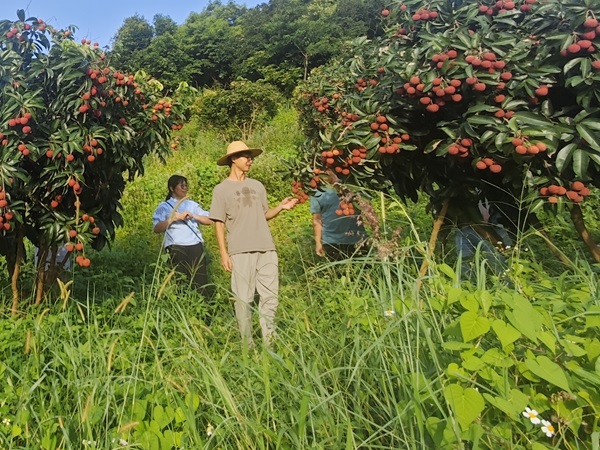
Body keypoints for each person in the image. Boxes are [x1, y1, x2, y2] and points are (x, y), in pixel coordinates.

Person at [209, 141, 297, 347]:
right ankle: (247, 345)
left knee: (270, 297)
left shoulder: (257, 185)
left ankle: (270, 342)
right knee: (243, 299)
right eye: (245, 156)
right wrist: (224, 253)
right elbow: (218, 223)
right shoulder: (221, 190)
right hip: (240, 251)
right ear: (233, 159)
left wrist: (281, 207)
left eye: (251, 156)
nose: (250, 160)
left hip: (266, 248)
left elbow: (264, 215)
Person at [153, 175, 213, 298]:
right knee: (180, 280)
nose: (184, 188)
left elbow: (209, 220)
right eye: (181, 185)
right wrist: (173, 219)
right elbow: (157, 228)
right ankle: (183, 305)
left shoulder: (192, 205)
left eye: (186, 185)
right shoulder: (164, 207)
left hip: (195, 245)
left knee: (200, 280)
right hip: (175, 246)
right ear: (172, 188)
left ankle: (202, 307)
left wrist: (193, 216)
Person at [310, 170, 367, 260]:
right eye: (321, 170)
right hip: (331, 242)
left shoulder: (349, 186)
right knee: (338, 272)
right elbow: (317, 220)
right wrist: (318, 242)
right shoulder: (316, 193)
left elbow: (365, 206)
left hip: (357, 239)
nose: (325, 173)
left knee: (364, 271)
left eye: (327, 170)